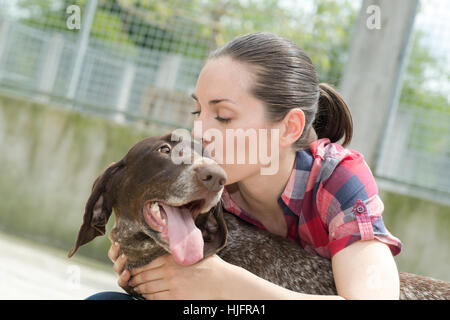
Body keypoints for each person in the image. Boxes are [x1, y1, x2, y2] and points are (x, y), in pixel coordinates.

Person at [86, 32, 402, 300]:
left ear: (290, 127)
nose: (199, 133)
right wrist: (143, 262)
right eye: (198, 112)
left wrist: (221, 282)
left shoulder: (339, 178)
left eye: (223, 116)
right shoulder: (207, 183)